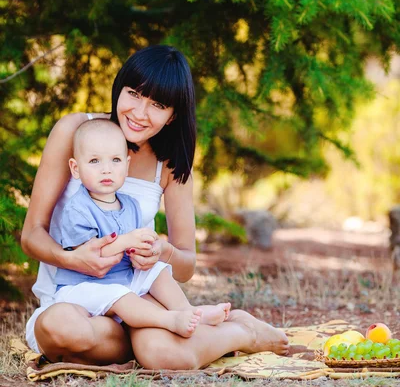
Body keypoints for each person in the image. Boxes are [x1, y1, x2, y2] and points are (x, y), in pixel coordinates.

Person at [22, 44, 289, 368]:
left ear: (173, 114)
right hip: (77, 300)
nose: (139, 112)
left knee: (163, 354)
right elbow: (32, 234)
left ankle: (242, 333)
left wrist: (161, 252)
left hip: (140, 297)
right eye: (134, 93)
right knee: (63, 328)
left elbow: (186, 266)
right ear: (119, 87)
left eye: (157, 104)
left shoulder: (171, 166)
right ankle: (163, 340)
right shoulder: (77, 131)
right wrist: (71, 258)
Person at [54, 118, 231, 337]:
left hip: (123, 278)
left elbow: (134, 250)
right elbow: (90, 256)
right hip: (84, 287)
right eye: (94, 161)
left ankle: (188, 311)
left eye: (115, 160)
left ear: (126, 166)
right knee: (120, 295)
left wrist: (143, 252)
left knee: (157, 271)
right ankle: (169, 320)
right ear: (76, 168)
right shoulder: (78, 209)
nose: (106, 170)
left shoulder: (130, 205)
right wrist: (127, 241)